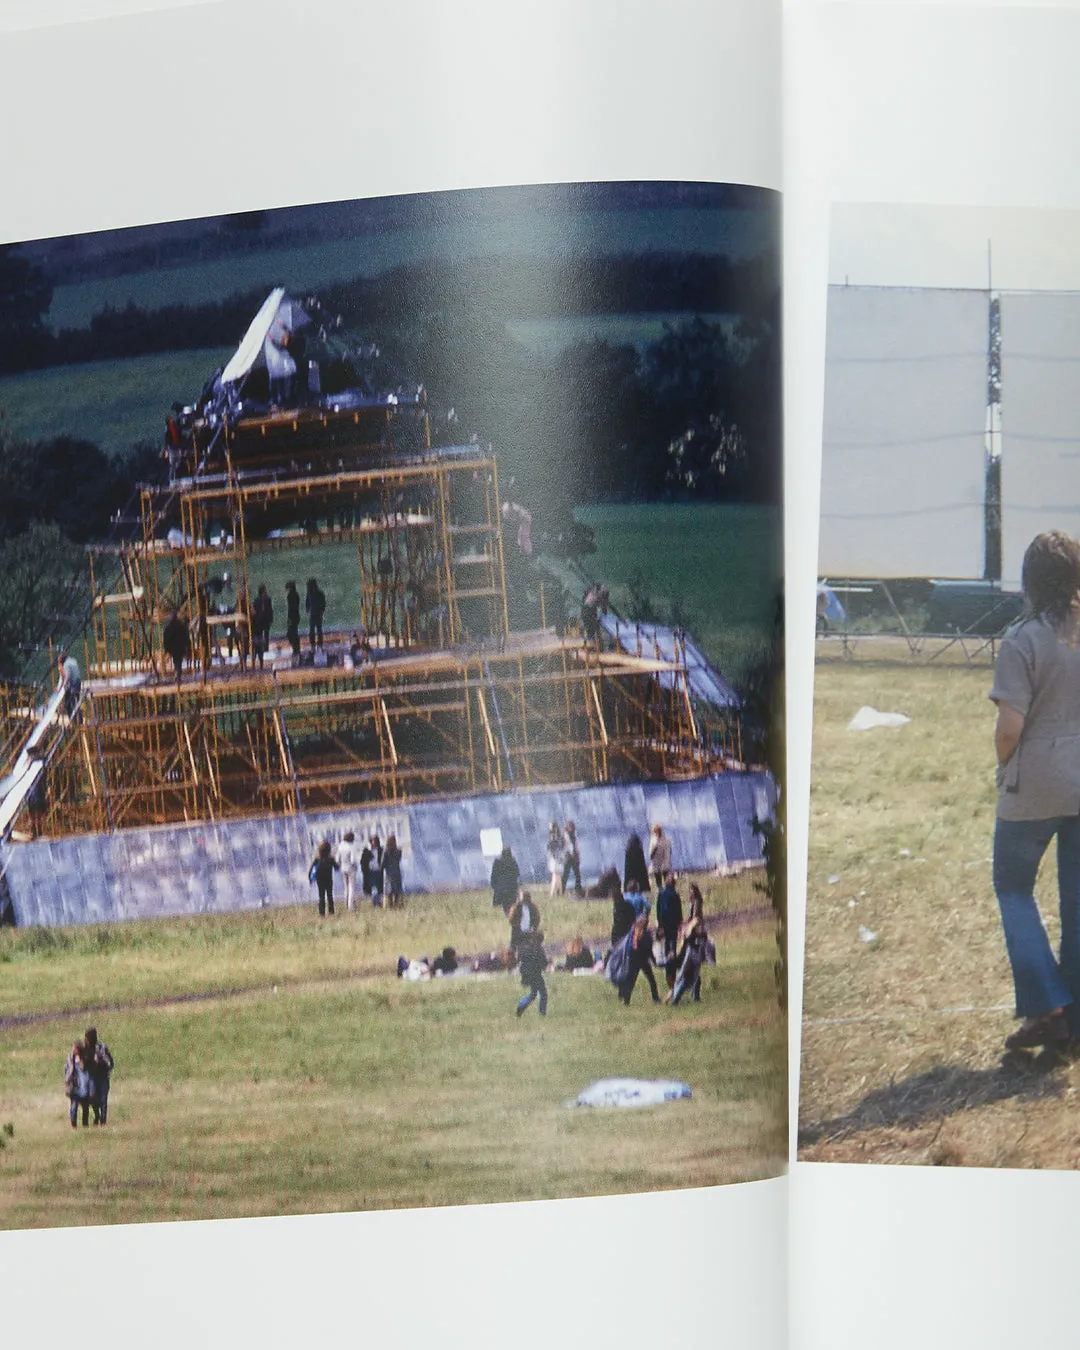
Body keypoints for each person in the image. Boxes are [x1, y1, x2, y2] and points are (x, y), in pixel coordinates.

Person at [990, 530, 1080, 1050]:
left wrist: (1003, 766)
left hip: (1037, 783)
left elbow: (1009, 727)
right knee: (1076, 903)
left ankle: (1046, 1006)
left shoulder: (1022, 638)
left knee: (1013, 888)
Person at [669, 883, 710, 1006]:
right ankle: (693, 995)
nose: (690, 893)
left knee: (687, 971)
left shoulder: (697, 903)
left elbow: (695, 918)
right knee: (693, 971)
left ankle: (678, 997)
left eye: (691, 890)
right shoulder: (693, 903)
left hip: (694, 942)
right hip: (694, 942)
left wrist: (687, 928)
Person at [608, 914, 661, 1006]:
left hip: (633, 960)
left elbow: (629, 948)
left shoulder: (633, 933)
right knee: (651, 979)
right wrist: (654, 961)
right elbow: (649, 951)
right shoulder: (646, 935)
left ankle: (626, 1000)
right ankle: (655, 998)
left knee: (631, 981)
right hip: (643, 960)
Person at [514, 911, 547, 1018]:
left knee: (533, 994)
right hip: (536, 973)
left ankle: (521, 1005)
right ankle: (542, 1014)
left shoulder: (523, 946)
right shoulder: (538, 948)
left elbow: (519, 959)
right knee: (543, 994)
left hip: (527, 972)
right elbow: (543, 962)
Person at [655, 872, 684, 992]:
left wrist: (660, 925)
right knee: (672, 948)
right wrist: (679, 923)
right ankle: (671, 972)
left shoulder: (661, 894)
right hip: (672, 926)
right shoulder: (675, 895)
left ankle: (669, 972)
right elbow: (678, 912)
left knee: (666, 948)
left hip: (664, 925)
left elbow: (658, 910)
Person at [83, 1026, 114, 1125]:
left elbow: (110, 1063)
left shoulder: (101, 1047)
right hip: (92, 1077)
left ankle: (103, 1120)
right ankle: (97, 1115)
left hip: (103, 1077)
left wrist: (99, 1063)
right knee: (92, 1097)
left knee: (103, 1099)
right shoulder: (86, 1049)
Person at [265, 320, 296, 407]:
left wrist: (271, 338)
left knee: (281, 383)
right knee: (280, 383)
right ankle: (281, 400)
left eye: (284, 337)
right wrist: (282, 325)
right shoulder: (288, 338)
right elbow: (288, 331)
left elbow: (279, 347)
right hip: (283, 365)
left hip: (285, 365)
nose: (283, 336)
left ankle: (281, 401)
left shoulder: (286, 345)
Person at [309, 839, 339, 917]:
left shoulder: (317, 859)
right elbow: (336, 867)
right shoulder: (330, 859)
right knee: (330, 895)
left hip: (320, 879)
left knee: (321, 896)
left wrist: (310, 878)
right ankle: (331, 912)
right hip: (328, 879)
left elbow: (311, 869)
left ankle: (321, 913)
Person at [64, 1041, 91, 1128]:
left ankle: (85, 1123)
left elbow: (84, 1069)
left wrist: (79, 1061)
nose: (74, 1050)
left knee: (85, 1106)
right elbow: (67, 1070)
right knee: (74, 1105)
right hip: (74, 1085)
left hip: (84, 1085)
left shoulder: (84, 1057)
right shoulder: (70, 1057)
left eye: (76, 1049)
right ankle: (73, 1124)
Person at [508, 891, 542, 956]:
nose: (524, 900)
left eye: (525, 897)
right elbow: (511, 919)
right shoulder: (516, 907)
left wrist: (534, 928)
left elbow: (537, 919)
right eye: (522, 898)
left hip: (529, 931)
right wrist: (516, 926)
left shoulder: (532, 907)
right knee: (514, 948)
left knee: (529, 948)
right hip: (518, 931)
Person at [162, 610, 191, 684]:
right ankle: (177, 674)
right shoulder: (180, 626)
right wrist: (187, 645)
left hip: (174, 647)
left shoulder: (169, 628)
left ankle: (177, 674)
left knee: (176, 660)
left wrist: (167, 649)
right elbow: (186, 637)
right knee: (178, 661)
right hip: (179, 646)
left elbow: (166, 639)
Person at [490, 843, 520, 913]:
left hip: (500, 891)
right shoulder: (513, 862)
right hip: (511, 890)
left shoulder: (497, 863)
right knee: (511, 906)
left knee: (504, 907)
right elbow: (517, 874)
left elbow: (493, 876)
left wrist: (494, 886)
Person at [251, 584, 274, 670]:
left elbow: (270, 609)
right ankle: (261, 650)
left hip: (266, 620)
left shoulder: (268, 600)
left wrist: (270, 618)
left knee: (267, 633)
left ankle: (266, 647)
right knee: (260, 636)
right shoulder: (257, 601)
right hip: (259, 622)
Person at [336, 830, 359, 911]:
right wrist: (356, 866)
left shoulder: (340, 845)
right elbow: (353, 860)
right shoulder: (351, 846)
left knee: (346, 887)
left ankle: (346, 902)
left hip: (343, 868)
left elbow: (337, 859)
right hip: (350, 868)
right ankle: (351, 906)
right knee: (351, 887)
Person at [648, 824, 673, 891]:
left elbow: (668, 852)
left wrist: (666, 863)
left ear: (659, 831)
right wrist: (653, 851)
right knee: (658, 878)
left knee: (666, 878)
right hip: (656, 862)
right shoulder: (653, 840)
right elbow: (650, 853)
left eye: (655, 832)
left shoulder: (666, 840)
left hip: (665, 862)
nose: (654, 834)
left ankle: (667, 889)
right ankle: (660, 890)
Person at [58, 648, 81, 718]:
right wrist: (59, 686)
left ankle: (74, 720)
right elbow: (62, 676)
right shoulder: (72, 660)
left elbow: (67, 677)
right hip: (77, 683)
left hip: (73, 685)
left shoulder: (66, 664)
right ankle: (77, 719)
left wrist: (62, 687)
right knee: (76, 703)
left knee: (71, 703)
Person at [383, 833, 404, 907]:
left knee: (389, 890)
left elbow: (383, 864)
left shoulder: (386, 852)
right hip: (397, 872)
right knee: (397, 889)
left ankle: (390, 905)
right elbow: (399, 860)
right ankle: (397, 904)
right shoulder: (399, 851)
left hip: (389, 873)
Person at [561, 819, 582, 894]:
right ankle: (562, 889)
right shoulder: (566, 834)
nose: (572, 828)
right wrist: (572, 852)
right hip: (568, 856)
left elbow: (576, 844)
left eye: (572, 827)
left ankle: (578, 889)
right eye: (570, 826)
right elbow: (569, 844)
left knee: (577, 874)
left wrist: (577, 852)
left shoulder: (574, 833)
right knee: (566, 873)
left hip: (574, 856)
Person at [545, 821, 566, 897]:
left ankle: (552, 892)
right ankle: (560, 892)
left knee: (555, 875)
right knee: (558, 875)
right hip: (560, 857)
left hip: (555, 858)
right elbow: (563, 846)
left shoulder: (552, 837)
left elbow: (549, 847)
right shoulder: (560, 836)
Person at [306, 578, 326, 651]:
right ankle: (319, 645)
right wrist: (322, 611)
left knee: (312, 630)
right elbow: (323, 603)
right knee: (319, 629)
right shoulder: (320, 593)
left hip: (313, 614)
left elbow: (307, 603)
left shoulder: (309, 593)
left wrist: (308, 611)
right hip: (318, 613)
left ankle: (313, 645)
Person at [285, 580, 301, 661]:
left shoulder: (291, 596)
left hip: (293, 617)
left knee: (291, 634)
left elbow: (291, 608)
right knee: (294, 633)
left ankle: (296, 648)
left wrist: (289, 618)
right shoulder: (295, 595)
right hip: (295, 616)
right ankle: (296, 648)